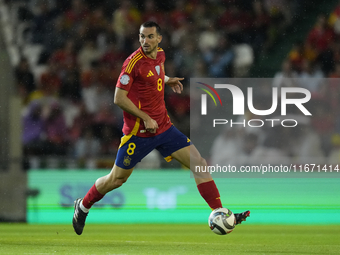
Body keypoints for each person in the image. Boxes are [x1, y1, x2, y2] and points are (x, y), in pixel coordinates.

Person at [72, 21, 250, 235]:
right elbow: (119, 98)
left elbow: (152, 77)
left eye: (149, 37)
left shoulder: (161, 56)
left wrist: (166, 80)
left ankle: (219, 212)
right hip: (138, 133)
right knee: (116, 179)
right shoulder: (132, 63)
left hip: (164, 128)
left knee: (199, 163)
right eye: (141, 37)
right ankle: (83, 206)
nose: (144, 41)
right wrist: (145, 117)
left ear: (159, 39)